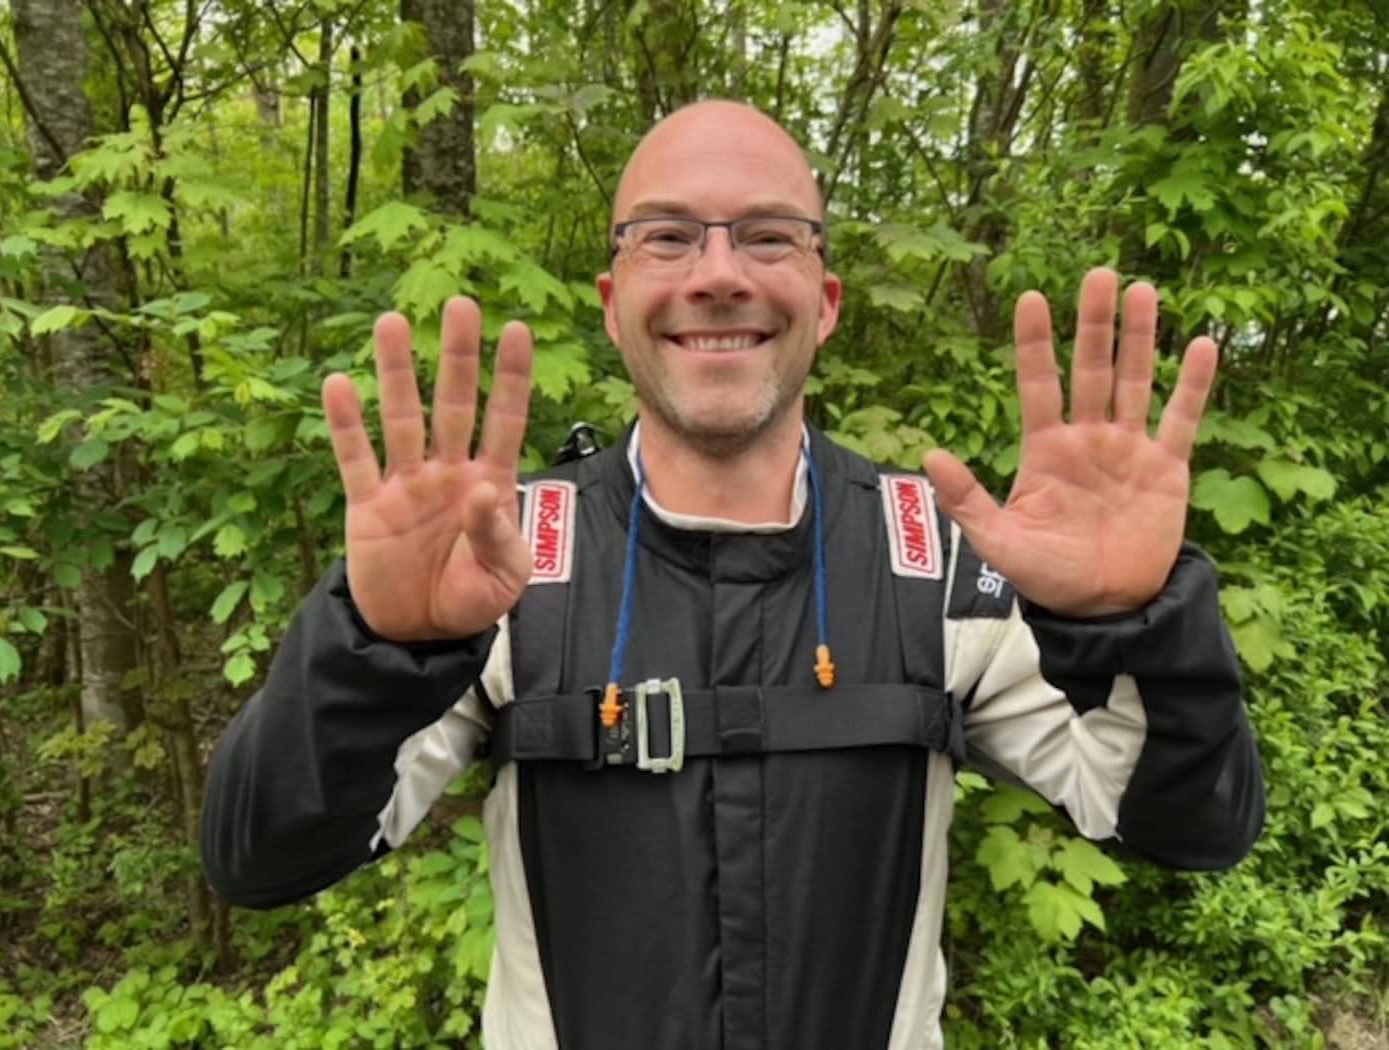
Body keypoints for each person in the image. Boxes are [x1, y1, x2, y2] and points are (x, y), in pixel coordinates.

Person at [201, 100, 1264, 1050]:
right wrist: (382, 648)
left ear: (826, 298)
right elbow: (263, 859)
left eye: (767, 235)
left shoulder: (932, 562)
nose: (718, 272)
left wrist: (1138, 623)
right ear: (614, 299)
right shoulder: (501, 567)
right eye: (669, 237)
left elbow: (1186, 826)